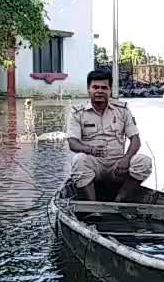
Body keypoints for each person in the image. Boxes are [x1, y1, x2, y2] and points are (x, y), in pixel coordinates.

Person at [66, 69, 154, 201]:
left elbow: (136, 140)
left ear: (109, 90)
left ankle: (120, 199)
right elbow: (72, 143)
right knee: (79, 160)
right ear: (88, 89)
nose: (99, 91)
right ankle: (93, 206)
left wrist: (126, 158)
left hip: (118, 166)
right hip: (93, 165)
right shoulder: (78, 113)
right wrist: (90, 150)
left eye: (104, 88)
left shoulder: (122, 110)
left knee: (144, 161)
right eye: (95, 87)